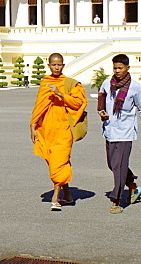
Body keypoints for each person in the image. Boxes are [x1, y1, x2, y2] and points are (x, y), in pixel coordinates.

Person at [98, 53, 141, 214]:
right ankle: (132, 185)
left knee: (119, 166)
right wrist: (102, 113)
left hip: (125, 132)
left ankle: (116, 200)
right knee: (112, 165)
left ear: (127, 68)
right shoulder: (107, 84)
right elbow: (102, 104)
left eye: (120, 68)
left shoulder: (134, 87)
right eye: (115, 68)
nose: (117, 71)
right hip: (110, 130)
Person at [30, 52, 86, 211]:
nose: (56, 67)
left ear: (63, 65)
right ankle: (68, 195)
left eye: (59, 64)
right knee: (55, 162)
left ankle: (56, 197)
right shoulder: (45, 82)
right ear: (49, 66)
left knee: (59, 161)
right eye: (54, 64)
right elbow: (38, 107)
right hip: (47, 129)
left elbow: (79, 104)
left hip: (64, 129)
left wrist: (61, 94)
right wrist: (33, 126)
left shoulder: (71, 84)